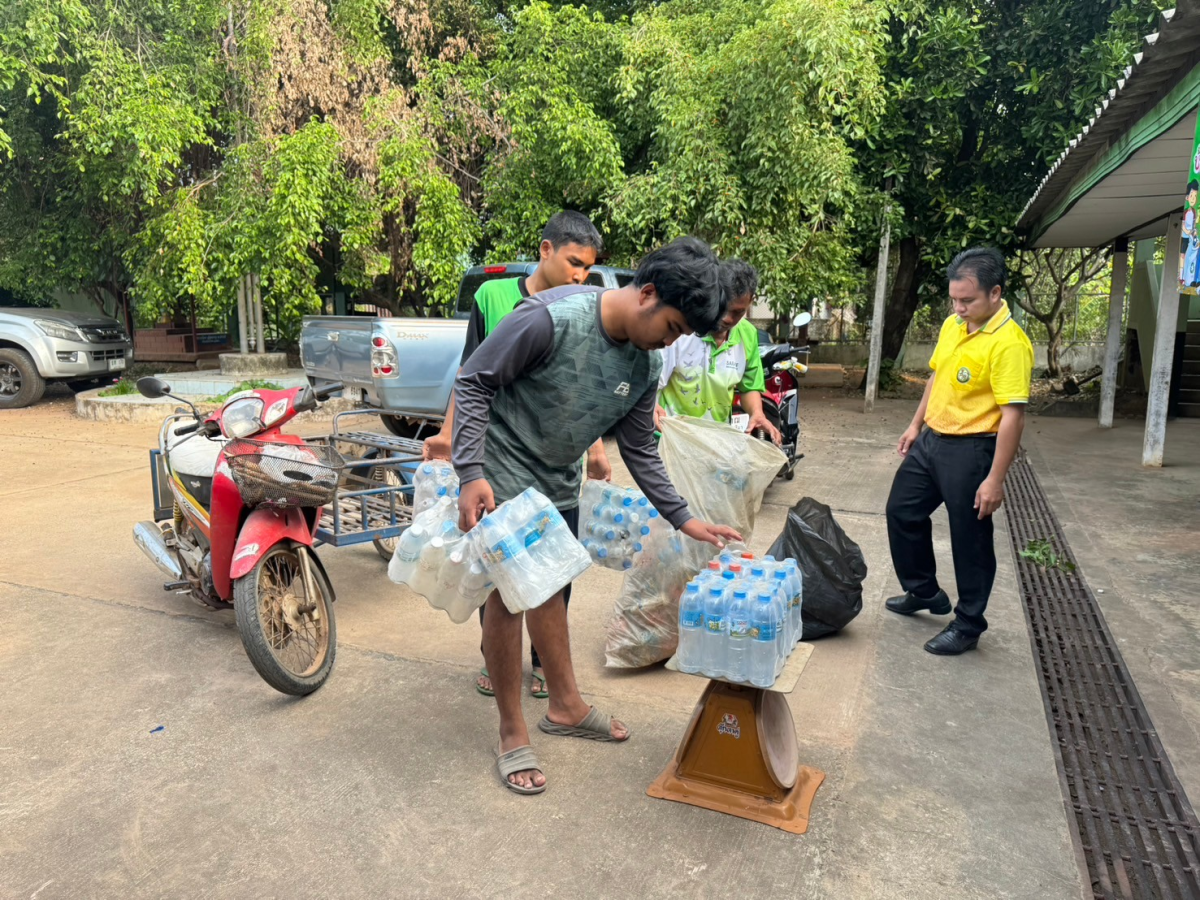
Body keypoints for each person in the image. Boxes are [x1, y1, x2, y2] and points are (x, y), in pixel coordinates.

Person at [453, 236, 743, 793]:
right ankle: (513, 731)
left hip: (558, 479)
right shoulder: (547, 318)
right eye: (675, 327)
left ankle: (564, 705)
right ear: (648, 294)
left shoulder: (645, 362)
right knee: (510, 597)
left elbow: (639, 449)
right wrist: (470, 472)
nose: (672, 341)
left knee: (552, 589)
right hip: (503, 472)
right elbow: (474, 382)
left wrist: (685, 519)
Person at [423, 211, 613, 699]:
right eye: (573, 262)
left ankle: (542, 662)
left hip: (557, 463)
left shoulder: (582, 307)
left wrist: (593, 446)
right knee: (496, 565)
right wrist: (449, 439)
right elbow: (471, 373)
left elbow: (584, 386)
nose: (580, 276)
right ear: (545, 249)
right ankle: (496, 654)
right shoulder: (494, 297)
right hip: (499, 457)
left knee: (555, 564)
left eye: (588, 269)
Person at [884, 247, 1033, 655]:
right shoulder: (954, 325)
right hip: (933, 438)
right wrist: (916, 425)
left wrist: (995, 479)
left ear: (996, 293)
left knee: (969, 537)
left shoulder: (1009, 343)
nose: (958, 307)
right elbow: (937, 377)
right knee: (902, 511)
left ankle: (968, 623)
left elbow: (1013, 416)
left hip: (972, 448)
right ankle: (925, 591)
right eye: (954, 299)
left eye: (967, 300)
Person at [653, 258, 782, 444]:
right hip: (670, 440)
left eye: (737, 312)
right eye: (722, 309)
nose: (727, 319)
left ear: (751, 301)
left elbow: (749, 387)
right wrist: (651, 408)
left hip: (716, 442)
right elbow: (652, 384)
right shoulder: (683, 329)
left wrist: (757, 413)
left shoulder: (748, 335)